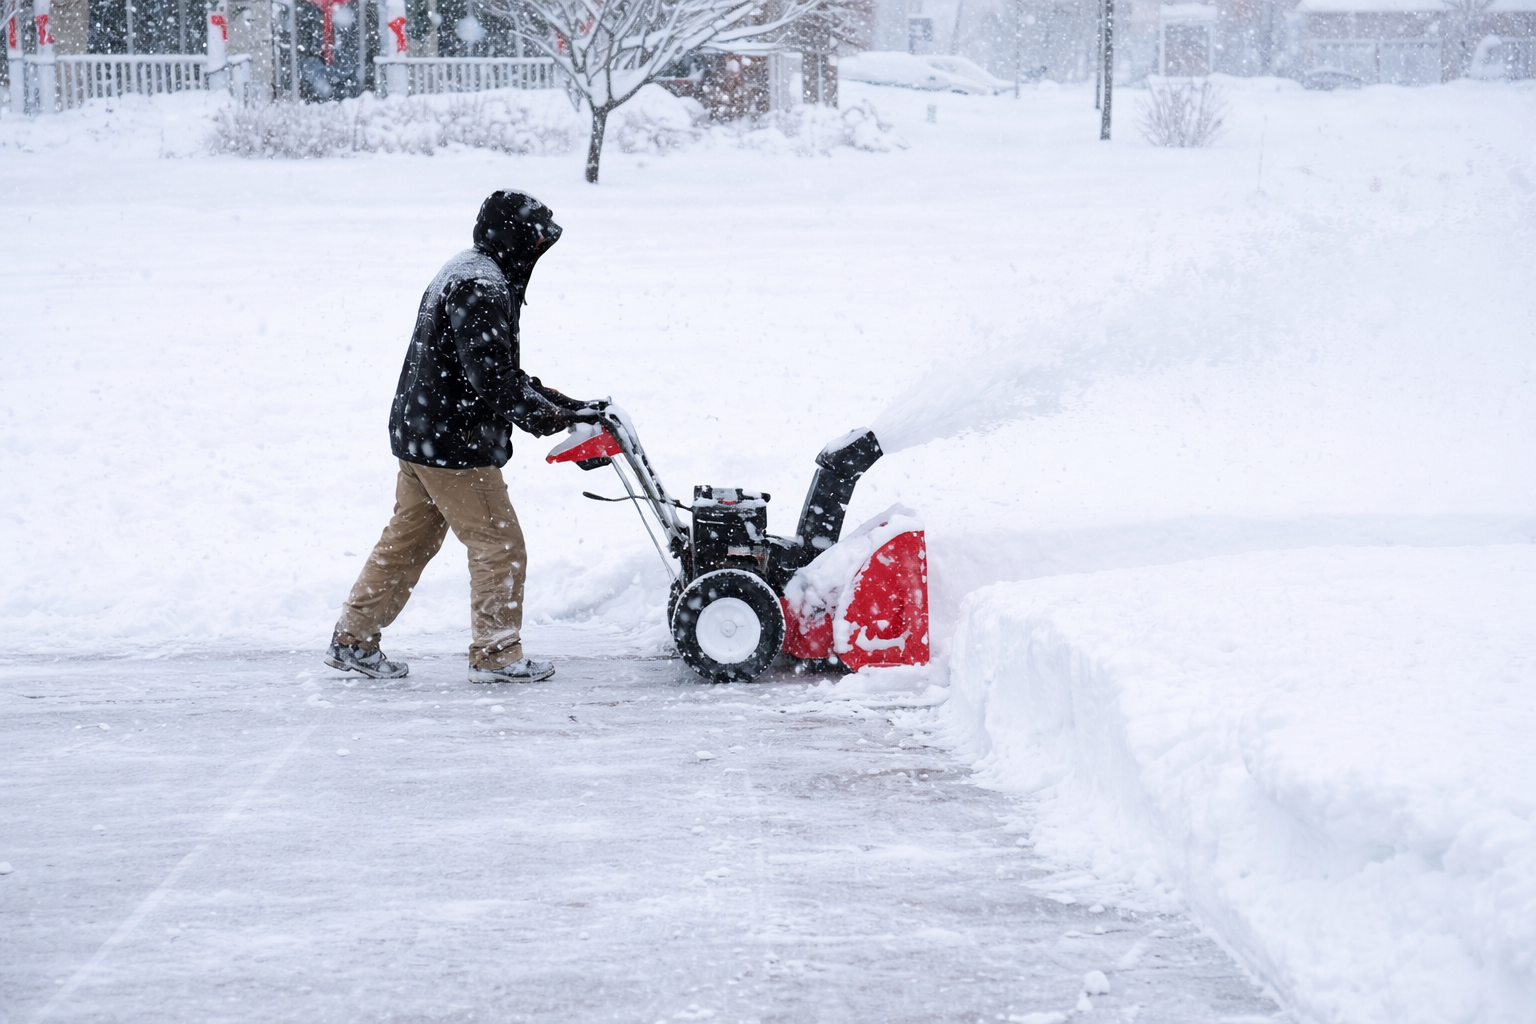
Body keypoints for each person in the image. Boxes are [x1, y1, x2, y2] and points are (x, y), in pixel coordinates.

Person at [325, 190, 591, 683]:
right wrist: (552, 420)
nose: (537, 255)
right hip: (454, 445)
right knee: (499, 545)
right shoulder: (481, 287)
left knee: (406, 543)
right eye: (534, 244)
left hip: (422, 434)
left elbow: (492, 370)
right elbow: (492, 381)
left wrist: (563, 404)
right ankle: (495, 655)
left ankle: (353, 638)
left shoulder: (466, 269)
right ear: (513, 239)